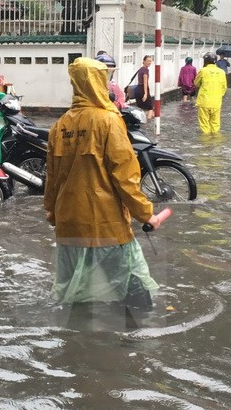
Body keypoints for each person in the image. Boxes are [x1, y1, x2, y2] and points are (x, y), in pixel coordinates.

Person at [44, 58, 162, 308]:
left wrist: (54, 215)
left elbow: (51, 179)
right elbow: (126, 178)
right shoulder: (108, 121)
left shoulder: (59, 126)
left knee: (76, 294)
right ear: (97, 82)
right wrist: (146, 214)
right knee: (135, 295)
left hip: (68, 225)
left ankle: (76, 344)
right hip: (105, 225)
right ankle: (137, 343)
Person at [193, 54, 227, 134]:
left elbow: (196, 83)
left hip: (204, 101)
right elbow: (224, 88)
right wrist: (218, 95)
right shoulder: (222, 72)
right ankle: (215, 142)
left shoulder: (203, 70)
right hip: (216, 102)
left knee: (204, 125)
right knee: (215, 124)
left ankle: (206, 143)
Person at [134, 55, 154, 120]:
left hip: (138, 90)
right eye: (148, 61)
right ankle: (148, 121)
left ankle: (140, 120)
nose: (149, 62)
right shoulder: (145, 70)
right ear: (144, 61)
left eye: (150, 61)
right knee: (150, 107)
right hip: (143, 89)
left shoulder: (140, 69)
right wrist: (145, 94)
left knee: (140, 108)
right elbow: (145, 82)